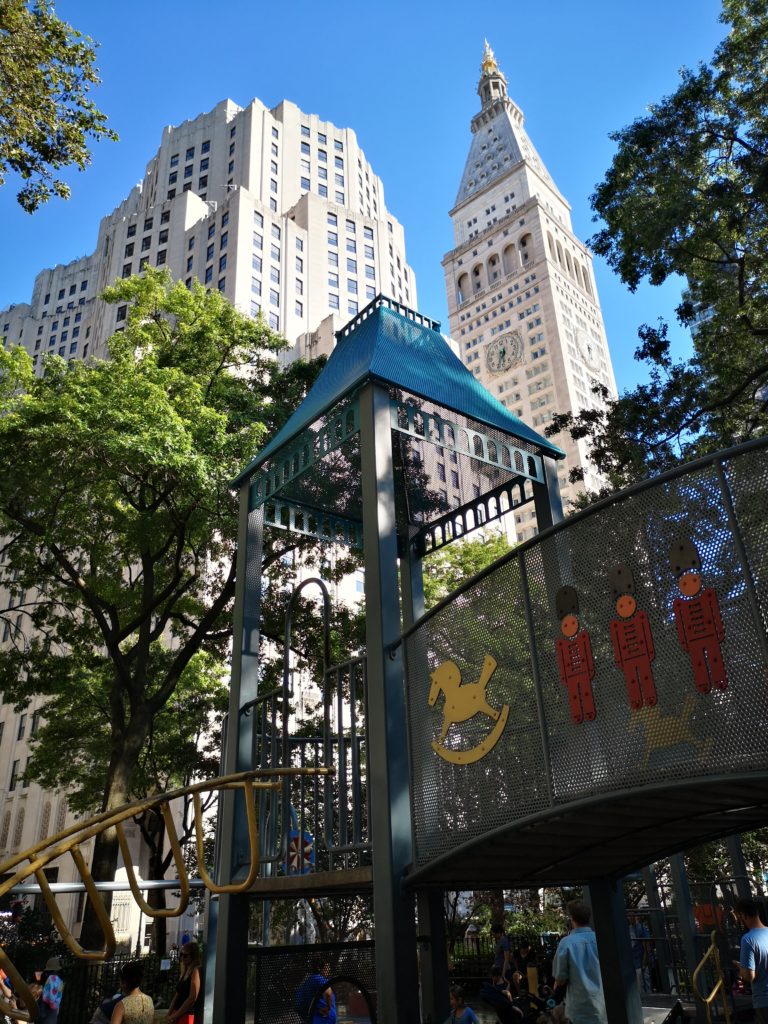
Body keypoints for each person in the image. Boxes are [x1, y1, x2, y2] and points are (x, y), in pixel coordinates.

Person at [552, 901, 607, 1024]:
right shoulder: (601, 939)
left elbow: (560, 979)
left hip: (578, 1008)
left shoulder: (566, 943)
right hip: (603, 1004)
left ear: (571, 919)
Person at [734, 896, 768, 1022]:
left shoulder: (748, 939)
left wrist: (740, 967)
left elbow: (749, 976)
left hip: (763, 999)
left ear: (743, 915)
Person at [166, 941, 202, 1024]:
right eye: (181, 955)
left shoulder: (194, 971)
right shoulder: (185, 971)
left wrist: (174, 1016)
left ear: (193, 957)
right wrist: (169, 1013)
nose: (182, 958)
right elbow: (177, 994)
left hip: (186, 1015)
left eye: (185, 956)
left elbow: (192, 998)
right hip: (178, 1013)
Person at [294, 959, 336, 1023]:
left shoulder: (307, 981)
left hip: (312, 1019)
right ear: (319, 968)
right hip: (324, 1019)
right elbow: (328, 994)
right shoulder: (320, 980)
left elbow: (298, 1004)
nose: (329, 969)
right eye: (327, 967)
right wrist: (328, 1008)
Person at [37, 957, 64, 1024]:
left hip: (47, 1009)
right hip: (54, 1010)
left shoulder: (52, 978)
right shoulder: (60, 980)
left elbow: (50, 997)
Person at [628, 913, 651, 991]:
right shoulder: (630, 928)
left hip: (640, 963)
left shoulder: (641, 928)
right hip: (635, 964)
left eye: (630, 915)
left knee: (644, 987)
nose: (628, 918)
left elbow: (647, 948)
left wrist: (644, 964)